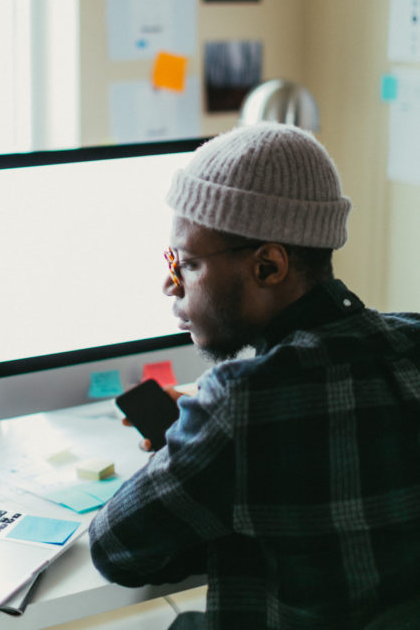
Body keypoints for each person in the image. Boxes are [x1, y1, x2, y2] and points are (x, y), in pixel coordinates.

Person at [89, 122, 420, 629]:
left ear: (268, 266)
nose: (168, 284)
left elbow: (115, 551)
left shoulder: (241, 402)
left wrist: (188, 441)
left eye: (188, 264)